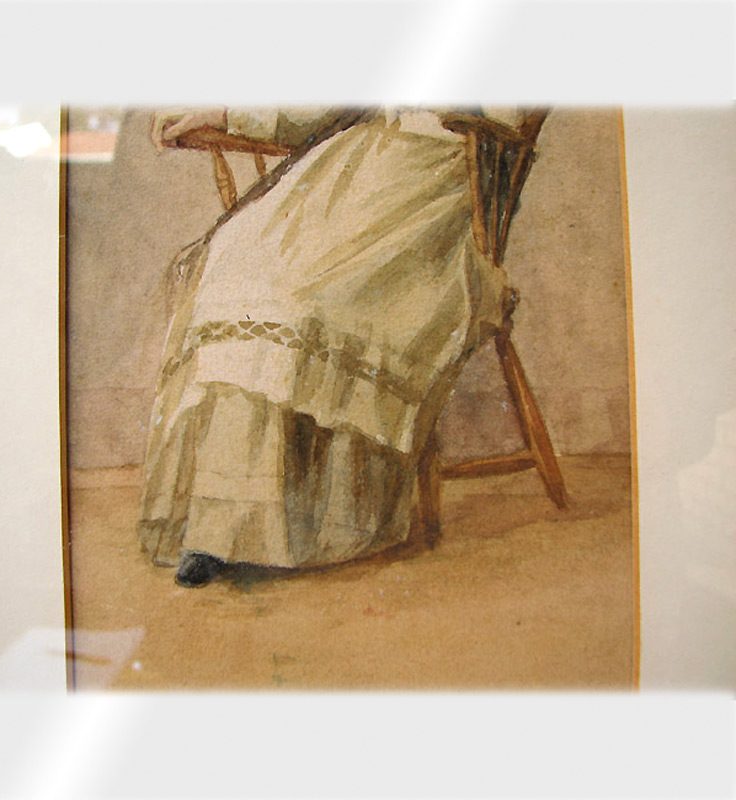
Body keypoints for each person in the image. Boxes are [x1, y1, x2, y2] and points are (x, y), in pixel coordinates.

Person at [138, 107, 509, 587]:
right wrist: (220, 113)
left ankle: (323, 521)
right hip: (353, 167)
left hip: (442, 185)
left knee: (302, 300)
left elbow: (512, 114)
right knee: (235, 273)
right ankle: (220, 528)